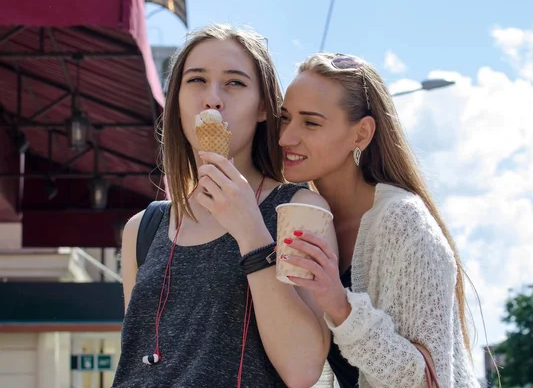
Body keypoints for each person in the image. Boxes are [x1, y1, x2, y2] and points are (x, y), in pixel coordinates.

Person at [113, 25, 334, 388]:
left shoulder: (297, 209)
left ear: (264, 107)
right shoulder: (143, 228)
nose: (212, 98)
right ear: (177, 100)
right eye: (196, 80)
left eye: (234, 83)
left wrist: (250, 228)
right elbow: (137, 359)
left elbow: (302, 369)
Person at [277, 52, 480, 387]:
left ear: (361, 134)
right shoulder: (301, 215)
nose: (286, 137)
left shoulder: (404, 223)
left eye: (310, 123)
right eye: (285, 119)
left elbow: (426, 380)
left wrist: (340, 307)